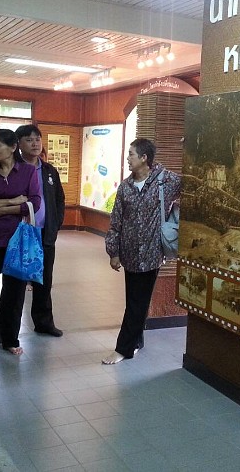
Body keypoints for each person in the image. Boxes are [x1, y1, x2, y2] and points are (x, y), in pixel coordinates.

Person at [102, 138, 181, 365]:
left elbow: (191, 185)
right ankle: (136, 341)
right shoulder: (125, 187)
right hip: (129, 254)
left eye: (131, 154)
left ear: (144, 158)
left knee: (137, 302)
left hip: (151, 254)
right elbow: (116, 222)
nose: (128, 158)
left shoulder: (165, 181)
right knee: (135, 301)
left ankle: (123, 348)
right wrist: (113, 252)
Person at [0, 125, 65, 341]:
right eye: (29, 140)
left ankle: (44, 323)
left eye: (37, 139)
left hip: (44, 234)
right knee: (14, 284)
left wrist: (55, 224)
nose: (35, 144)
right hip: (20, 234)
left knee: (44, 281)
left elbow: (59, 199)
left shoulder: (49, 171)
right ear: (18, 145)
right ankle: (3, 330)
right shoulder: (14, 168)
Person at [0, 129, 41, 356]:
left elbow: (34, 203)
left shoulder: (28, 172)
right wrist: (13, 201)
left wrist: (1, 209)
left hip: (17, 241)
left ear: (12, 148)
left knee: (14, 293)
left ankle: (10, 339)